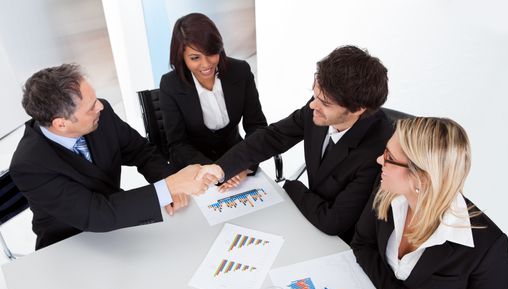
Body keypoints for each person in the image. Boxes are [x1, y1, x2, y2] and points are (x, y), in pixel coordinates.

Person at [198, 45, 394, 243]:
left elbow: (334, 221)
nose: (312, 105)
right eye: (315, 94)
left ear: (358, 109)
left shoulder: (378, 150)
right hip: (308, 218)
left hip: (341, 242)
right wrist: (220, 168)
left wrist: (290, 186)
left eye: (324, 102)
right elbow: (273, 137)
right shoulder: (321, 104)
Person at [349, 117, 508, 289]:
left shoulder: (488, 247)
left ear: (422, 177)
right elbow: (363, 245)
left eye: (389, 158)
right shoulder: (388, 188)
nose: (379, 160)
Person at [10, 64, 209, 250]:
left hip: (118, 225)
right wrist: (169, 187)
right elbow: (97, 214)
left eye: (95, 99)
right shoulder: (29, 166)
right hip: (71, 243)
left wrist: (169, 184)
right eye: (91, 107)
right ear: (61, 124)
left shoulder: (100, 115)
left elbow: (141, 151)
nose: (100, 107)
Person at [159, 13, 268, 190]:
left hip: (238, 163)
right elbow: (178, 144)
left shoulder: (240, 71)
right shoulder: (170, 85)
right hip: (195, 171)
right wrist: (215, 173)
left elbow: (257, 127)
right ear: (182, 58)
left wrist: (242, 166)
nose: (206, 64)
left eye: (211, 53)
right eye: (195, 58)